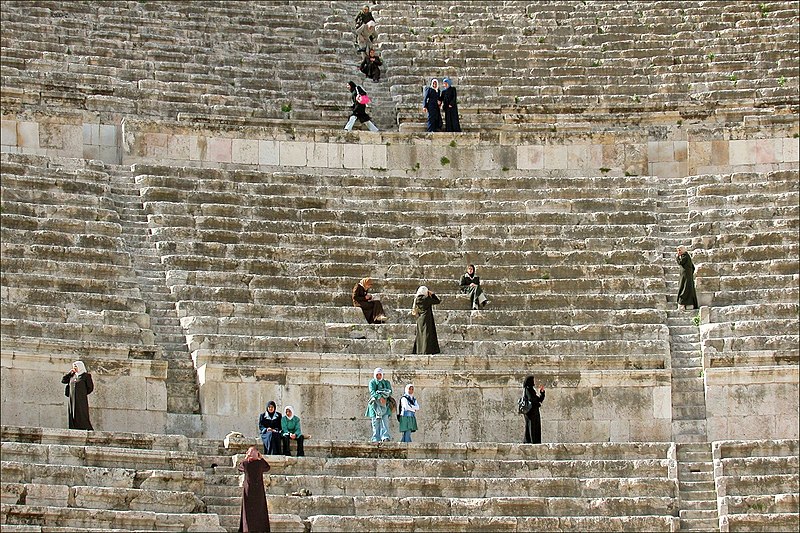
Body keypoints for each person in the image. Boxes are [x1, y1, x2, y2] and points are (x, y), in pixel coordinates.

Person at [238, 446, 271, 532]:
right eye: (251, 452)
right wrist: (260, 458)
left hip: (256, 490)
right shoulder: (250, 463)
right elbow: (267, 467)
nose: (252, 453)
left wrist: (249, 457)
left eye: (253, 452)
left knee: (258, 509)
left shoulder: (255, 463)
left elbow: (267, 467)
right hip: (251, 489)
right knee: (251, 510)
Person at [61, 361, 94, 430]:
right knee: (72, 412)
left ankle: (85, 428)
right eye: (74, 367)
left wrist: (81, 393)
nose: (75, 368)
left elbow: (90, 388)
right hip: (72, 398)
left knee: (81, 412)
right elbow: (63, 380)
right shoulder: (72, 376)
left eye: (76, 366)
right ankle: (73, 427)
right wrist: (70, 373)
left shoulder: (86, 376)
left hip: (81, 398)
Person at [364, 367, 392, 442]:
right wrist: (379, 397)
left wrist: (384, 396)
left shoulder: (386, 383)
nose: (379, 376)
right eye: (377, 375)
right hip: (374, 405)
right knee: (375, 421)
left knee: (385, 420)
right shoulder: (372, 382)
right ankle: (376, 438)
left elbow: (390, 391)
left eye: (380, 374)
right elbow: (372, 391)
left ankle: (385, 436)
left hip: (384, 404)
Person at [411, 286, 441, 354]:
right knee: (427, 335)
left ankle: (419, 350)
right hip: (426, 318)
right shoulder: (426, 299)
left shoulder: (417, 299)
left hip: (420, 319)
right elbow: (438, 301)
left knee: (420, 335)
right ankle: (426, 351)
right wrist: (432, 294)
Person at [522, 376, 545, 444]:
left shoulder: (531, 390)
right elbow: (532, 399)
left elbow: (539, 399)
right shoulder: (528, 389)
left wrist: (542, 393)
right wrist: (538, 403)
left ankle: (535, 441)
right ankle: (531, 441)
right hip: (530, 412)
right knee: (531, 426)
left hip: (534, 411)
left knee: (535, 426)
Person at [676, 246, 699, 310]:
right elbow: (693, 267)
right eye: (678, 251)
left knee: (684, 289)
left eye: (680, 250)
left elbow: (680, 262)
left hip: (685, 276)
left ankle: (682, 303)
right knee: (686, 288)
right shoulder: (687, 256)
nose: (678, 252)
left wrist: (677, 257)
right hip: (686, 276)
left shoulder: (685, 256)